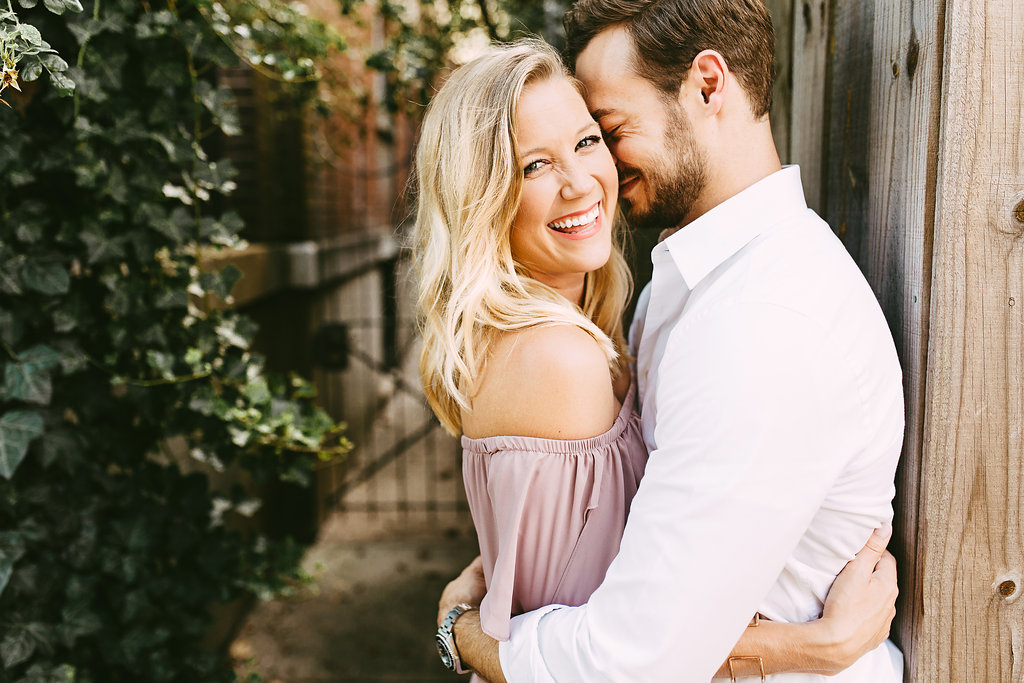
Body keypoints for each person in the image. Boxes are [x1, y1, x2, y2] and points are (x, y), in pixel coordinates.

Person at [415, 32, 900, 683]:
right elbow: (620, 651)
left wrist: (469, 614)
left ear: (708, 85)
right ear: (486, 193)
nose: (584, 178)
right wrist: (813, 645)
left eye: (593, 138)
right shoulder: (562, 357)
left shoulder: (727, 308)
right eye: (535, 165)